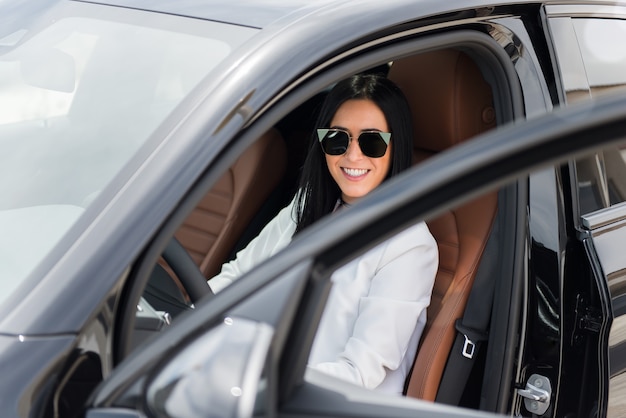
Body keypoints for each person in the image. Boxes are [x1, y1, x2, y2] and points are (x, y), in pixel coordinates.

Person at [209, 73, 438, 395]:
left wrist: (261, 379)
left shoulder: (408, 244)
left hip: (323, 402)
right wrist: (183, 323)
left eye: (372, 141)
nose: (352, 156)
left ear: (395, 145)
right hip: (253, 388)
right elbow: (236, 278)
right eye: (338, 139)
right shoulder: (304, 207)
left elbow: (361, 372)